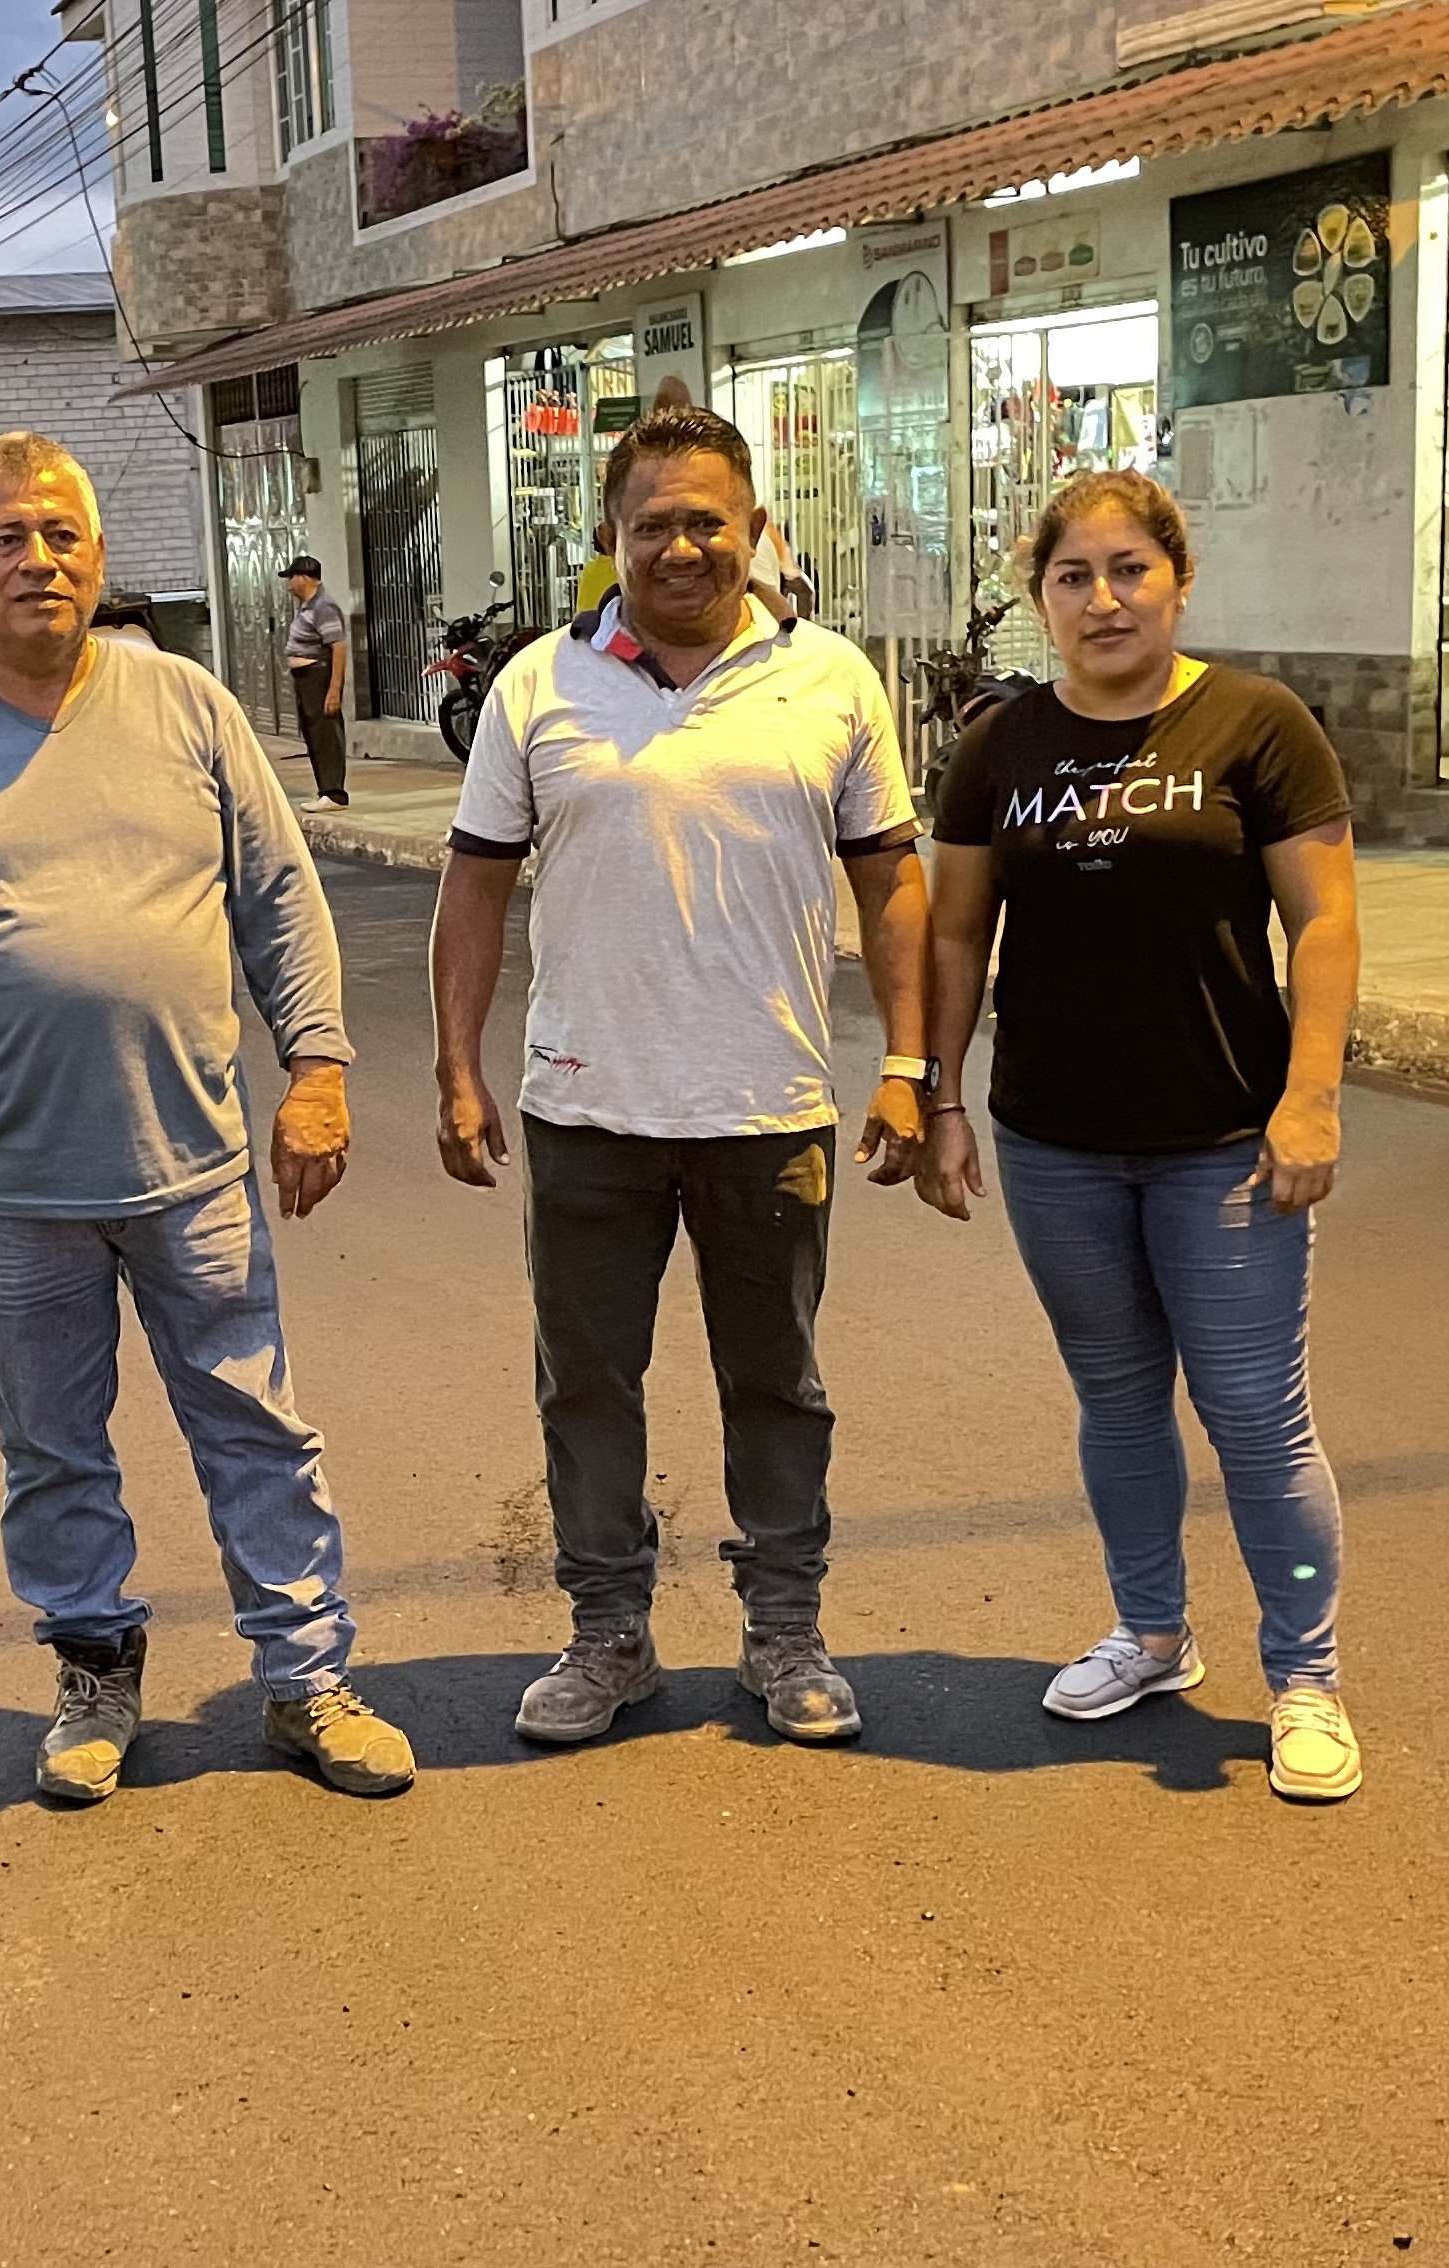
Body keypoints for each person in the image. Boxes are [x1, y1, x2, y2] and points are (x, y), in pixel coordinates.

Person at [0, 433, 418, 1805]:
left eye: (61, 535)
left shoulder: (186, 704)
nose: (39, 561)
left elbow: (281, 898)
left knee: (256, 1430)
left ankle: (306, 1680)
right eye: (7, 539)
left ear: (99, 555)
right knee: (51, 1448)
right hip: (6, 1185)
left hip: (191, 1166)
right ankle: (92, 1673)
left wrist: (317, 1067)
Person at [430, 401, 933, 1749]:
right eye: (652, 524)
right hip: (585, 1111)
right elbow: (474, 890)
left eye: (709, 520)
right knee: (587, 1386)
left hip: (769, 1109)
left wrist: (910, 1061)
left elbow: (892, 883)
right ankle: (608, 1632)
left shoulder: (832, 679)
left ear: (756, 529)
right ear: (611, 537)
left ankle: (786, 1630)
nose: (682, 546)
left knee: (777, 1384)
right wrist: (457, 1068)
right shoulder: (536, 685)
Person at [910, 470, 1369, 1804]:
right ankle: (1152, 1633)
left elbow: (1325, 923)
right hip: (1056, 1143)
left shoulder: (1258, 723)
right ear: (1040, 597)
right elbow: (956, 936)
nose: (1103, 600)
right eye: (1074, 577)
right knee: (1115, 1401)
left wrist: (1312, 1095)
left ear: (1178, 580)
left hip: (1224, 1139)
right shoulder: (999, 748)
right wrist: (940, 1097)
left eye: (1129, 571)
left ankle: (1306, 1678)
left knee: (1256, 1418)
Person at [279, 553, 350, 810]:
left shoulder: (323, 607)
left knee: (325, 734)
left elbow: (338, 647)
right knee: (314, 734)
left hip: (318, 676)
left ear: (303, 578)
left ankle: (334, 793)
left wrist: (334, 690)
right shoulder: (309, 607)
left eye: (291, 578)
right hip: (306, 678)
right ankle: (325, 791)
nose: (288, 584)